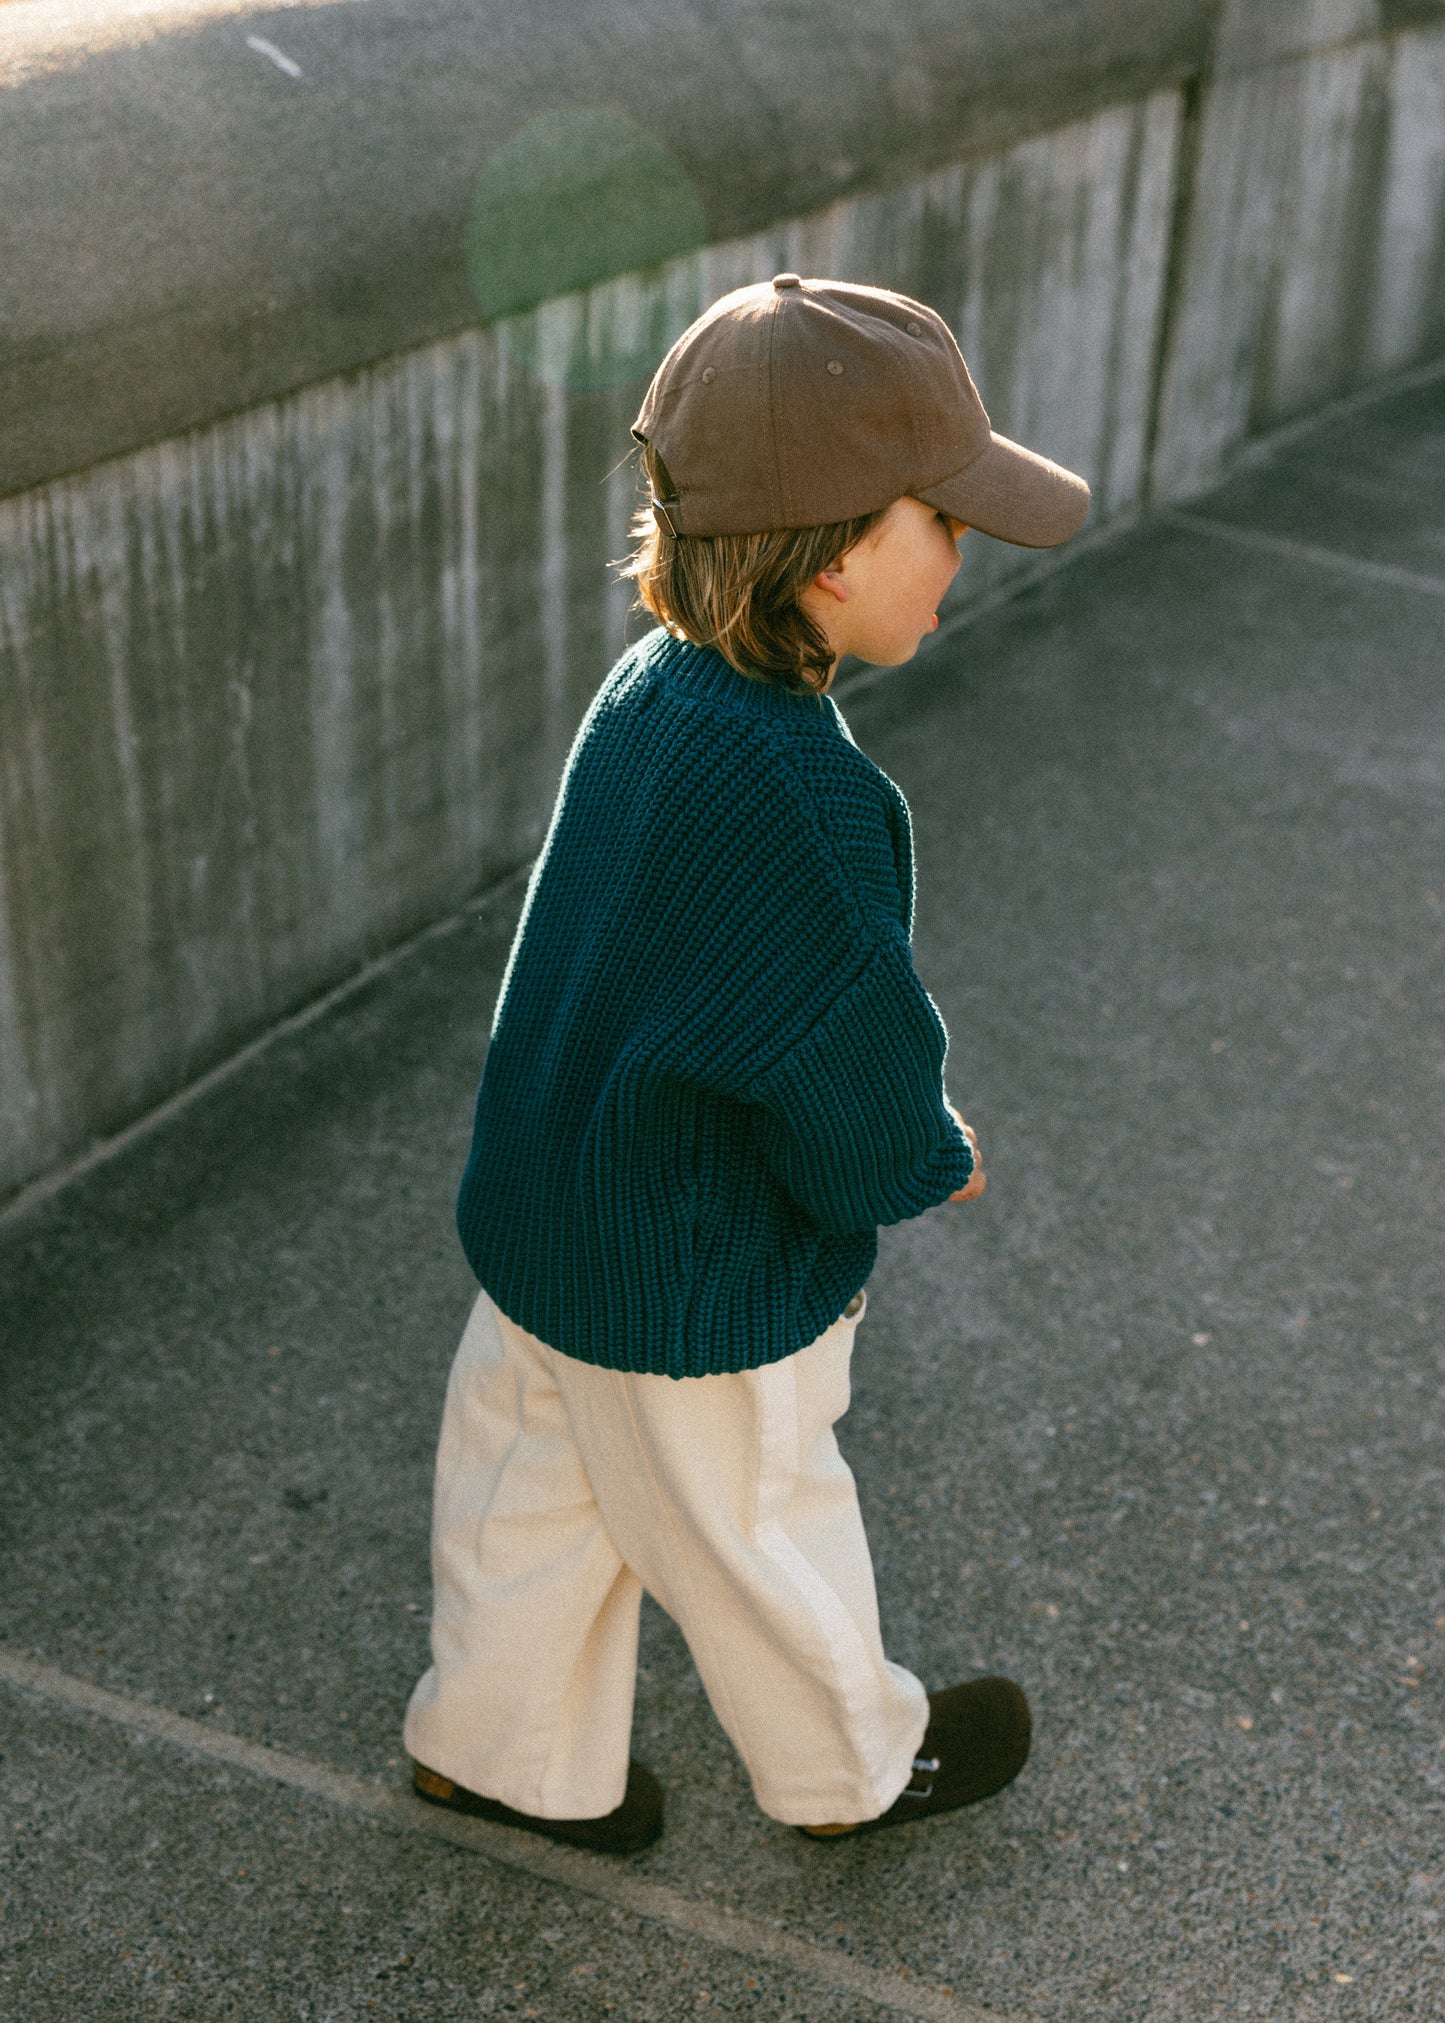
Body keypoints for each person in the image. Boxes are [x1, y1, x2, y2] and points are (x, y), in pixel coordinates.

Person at [403, 274, 1090, 1853]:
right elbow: (838, 1051)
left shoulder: (655, 690)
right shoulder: (798, 794)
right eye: (947, 523)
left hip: (551, 1207)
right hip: (688, 1273)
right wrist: (919, 1153)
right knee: (754, 1530)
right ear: (838, 544)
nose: (962, 558)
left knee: (530, 1502)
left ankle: (497, 1750)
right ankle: (853, 1769)